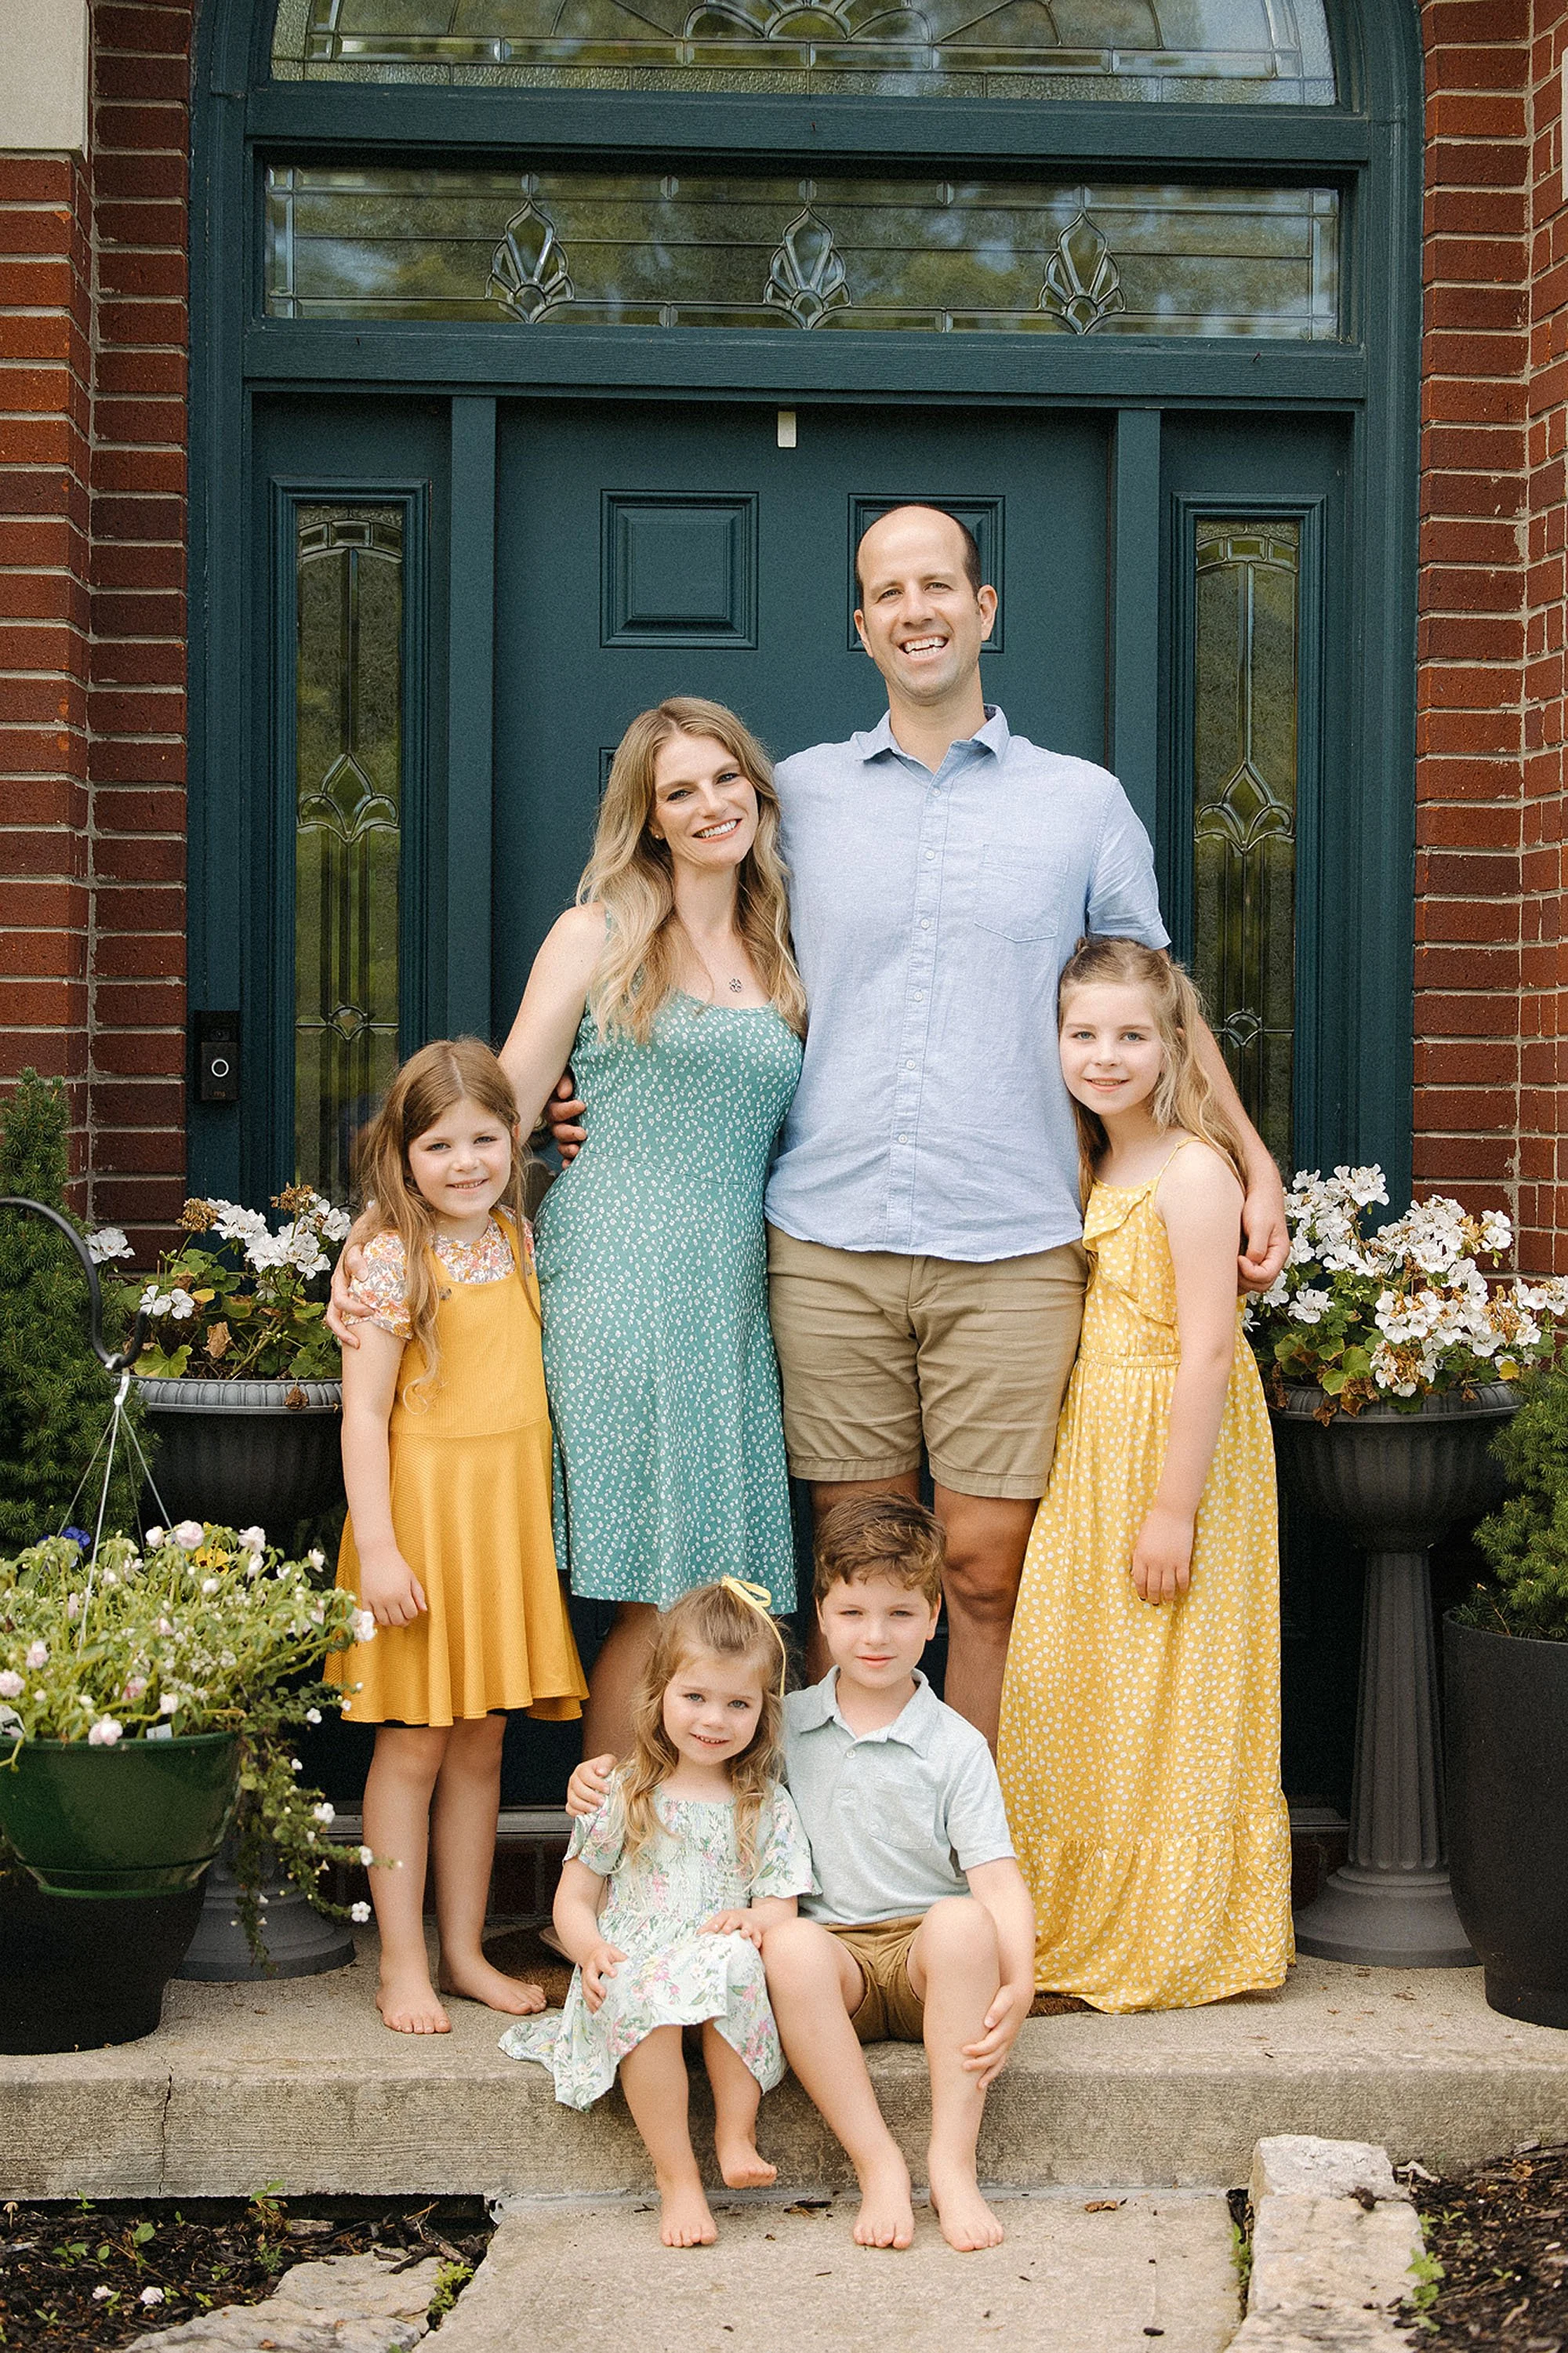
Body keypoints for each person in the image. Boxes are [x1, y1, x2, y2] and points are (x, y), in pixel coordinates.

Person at [549, 507, 1290, 1746]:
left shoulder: (1082, 805)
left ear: (984, 608)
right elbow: (686, 936)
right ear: (862, 627)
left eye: (938, 585)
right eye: (888, 594)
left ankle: (962, 1866)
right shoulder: (799, 799)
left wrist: (1252, 1163)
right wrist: (601, 1095)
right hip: (829, 1243)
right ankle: (846, 1870)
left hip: (1013, 1238)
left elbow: (1161, 997)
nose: (917, 611)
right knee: (863, 1585)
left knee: (986, 1574)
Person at [330, 699, 807, 1758]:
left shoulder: (782, 947)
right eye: (679, 791)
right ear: (647, 819)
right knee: (655, 1594)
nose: (709, 805)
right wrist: (374, 1236)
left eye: (725, 780)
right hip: (615, 1285)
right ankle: (600, 1879)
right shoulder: (598, 933)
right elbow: (494, 1104)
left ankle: (679, 1863)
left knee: (718, 1592)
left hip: (728, 1298)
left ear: (756, 792)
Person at [569, 1494, 1036, 2254]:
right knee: (784, 1943)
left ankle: (951, 2165)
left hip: (927, 1966)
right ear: (821, 1612)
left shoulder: (955, 1744)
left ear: (932, 1615)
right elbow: (684, 1758)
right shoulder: (777, 1723)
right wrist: (594, 1777)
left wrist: (1018, 1981)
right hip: (830, 1969)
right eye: (852, 1611)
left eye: (898, 1613)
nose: (875, 1635)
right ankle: (877, 2161)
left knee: (961, 1920)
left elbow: (996, 1881)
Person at [997, 936, 1294, 2011]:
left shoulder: (1193, 1169)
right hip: (1095, 1442)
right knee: (1080, 1675)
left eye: (1130, 1035)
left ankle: (1170, 1928)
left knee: (1168, 1679)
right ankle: (1072, 1915)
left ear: (1174, 1045)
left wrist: (1173, 1508)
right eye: (1084, 1034)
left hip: (1176, 1444)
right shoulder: (1092, 1156)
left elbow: (1210, 1348)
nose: (1106, 1054)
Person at [328, 1037, 587, 2035]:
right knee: (415, 1745)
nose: (466, 1162)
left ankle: (465, 1949)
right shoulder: (392, 1255)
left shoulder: (517, 1235)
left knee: (482, 1742)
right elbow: (363, 1415)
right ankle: (400, 1960)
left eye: (486, 1138)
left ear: (513, 1139)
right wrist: (382, 1548)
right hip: (424, 1529)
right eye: (439, 1145)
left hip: (502, 1525)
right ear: (401, 1152)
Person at [503, 1581, 815, 2249]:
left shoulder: (765, 1802)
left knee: (735, 1957)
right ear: (660, 1692)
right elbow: (575, 1896)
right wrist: (588, 1950)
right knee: (634, 1990)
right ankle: (678, 2178)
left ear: (764, 1709)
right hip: (637, 1955)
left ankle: (736, 2132)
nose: (714, 1719)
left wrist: (757, 1922)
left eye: (738, 1703)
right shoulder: (624, 1789)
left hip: (712, 1955)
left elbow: (779, 1905)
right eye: (695, 1696)